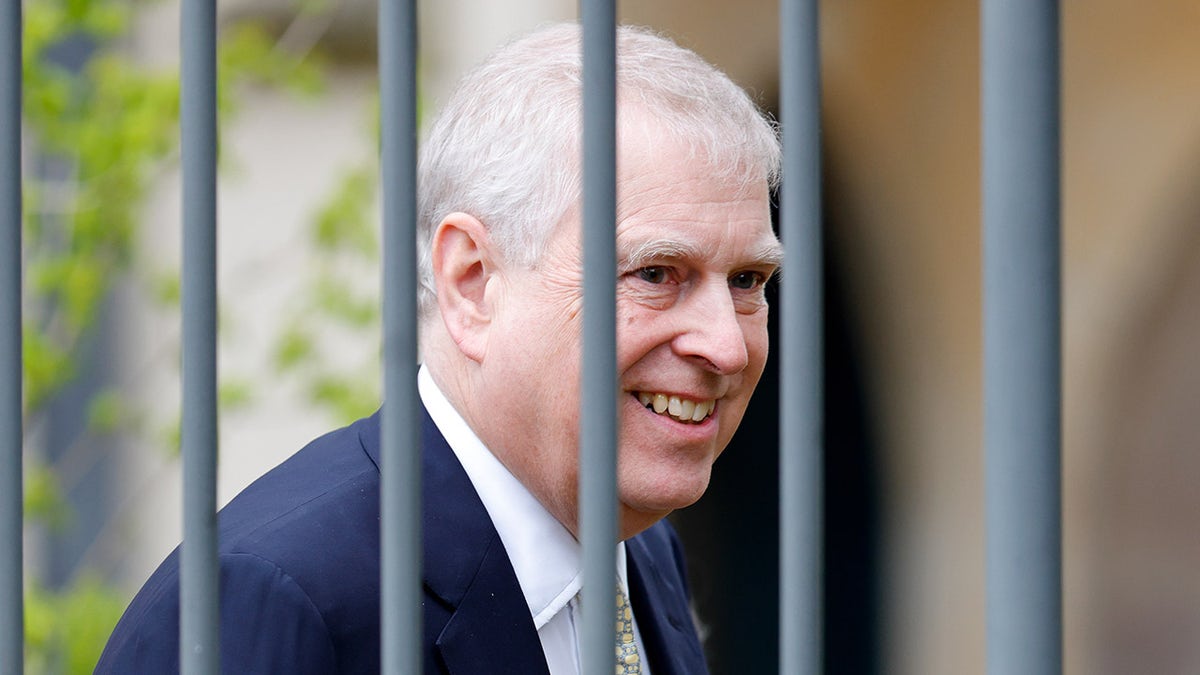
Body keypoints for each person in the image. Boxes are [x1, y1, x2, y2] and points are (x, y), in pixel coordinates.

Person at [96, 21, 782, 674]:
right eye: (657, 273)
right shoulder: (272, 599)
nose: (725, 344)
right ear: (472, 282)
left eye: (748, 279)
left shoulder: (641, 547)